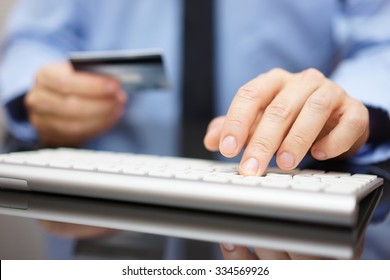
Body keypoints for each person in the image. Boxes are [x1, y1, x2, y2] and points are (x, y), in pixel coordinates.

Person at [1, 0, 390, 259]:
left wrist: (352, 109)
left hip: (293, 217)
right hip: (101, 235)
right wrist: (36, 94)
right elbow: (34, 38)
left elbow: (382, 39)